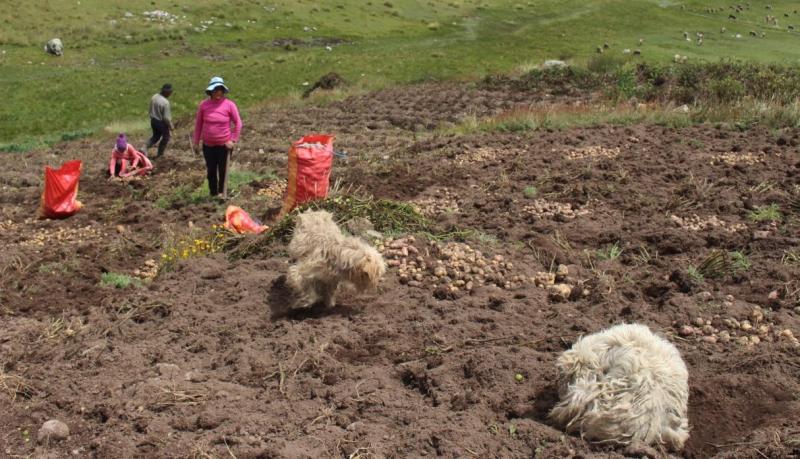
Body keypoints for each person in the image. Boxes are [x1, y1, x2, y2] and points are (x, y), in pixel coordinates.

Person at [192, 76, 242, 199]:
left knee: (223, 170)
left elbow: (238, 123)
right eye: (215, 90)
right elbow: (199, 124)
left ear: (223, 91)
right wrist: (196, 141)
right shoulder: (204, 105)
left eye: (220, 90)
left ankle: (222, 192)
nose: (218, 92)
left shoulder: (229, 105)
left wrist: (233, 140)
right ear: (210, 91)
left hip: (224, 145)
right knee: (211, 170)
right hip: (208, 145)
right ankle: (213, 193)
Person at [146, 83, 174, 158]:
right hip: (160, 122)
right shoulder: (165, 102)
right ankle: (160, 154)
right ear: (166, 92)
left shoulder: (154, 96)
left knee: (155, 136)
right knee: (166, 137)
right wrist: (171, 126)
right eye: (170, 92)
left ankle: (144, 148)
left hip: (153, 120)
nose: (170, 94)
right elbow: (166, 118)